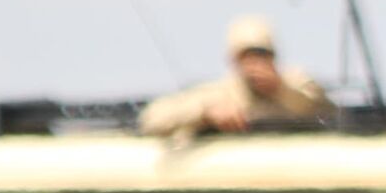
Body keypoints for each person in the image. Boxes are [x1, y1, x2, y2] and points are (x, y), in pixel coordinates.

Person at [137, 14, 336, 137]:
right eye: (247, 57)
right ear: (234, 60)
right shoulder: (218, 95)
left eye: (262, 54)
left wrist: (280, 90)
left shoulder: (296, 84)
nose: (255, 65)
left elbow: (329, 113)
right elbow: (151, 120)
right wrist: (205, 113)